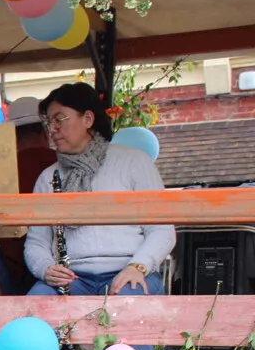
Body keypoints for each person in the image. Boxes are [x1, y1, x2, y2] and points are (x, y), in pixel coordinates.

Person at [25, 82, 174, 300]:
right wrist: (46, 268)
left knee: (126, 304)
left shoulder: (134, 162)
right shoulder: (48, 177)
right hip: (73, 277)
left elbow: (162, 231)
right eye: (49, 122)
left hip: (127, 270)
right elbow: (37, 242)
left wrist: (138, 266)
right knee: (35, 304)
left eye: (59, 119)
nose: (52, 129)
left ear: (88, 119)